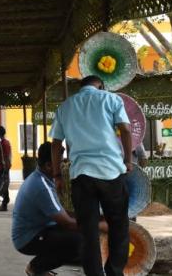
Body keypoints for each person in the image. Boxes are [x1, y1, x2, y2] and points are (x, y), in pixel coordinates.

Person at [50, 75, 132, 276]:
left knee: (88, 232)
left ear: (81, 87)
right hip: (110, 170)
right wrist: (128, 161)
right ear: (101, 85)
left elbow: (55, 144)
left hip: (82, 175)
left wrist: (57, 175)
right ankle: (114, 272)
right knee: (119, 226)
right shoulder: (111, 99)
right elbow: (126, 130)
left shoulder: (65, 107)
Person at [12, 142, 81, 276]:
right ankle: (36, 268)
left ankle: (40, 267)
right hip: (27, 239)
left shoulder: (44, 178)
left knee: (79, 234)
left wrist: (87, 217)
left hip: (40, 229)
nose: (64, 166)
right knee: (79, 241)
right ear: (49, 165)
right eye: (61, 163)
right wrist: (97, 225)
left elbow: (62, 212)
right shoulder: (41, 186)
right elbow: (66, 222)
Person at [0, 125, 12, 211]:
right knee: (1, 184)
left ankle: (4, 203)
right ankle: (5, 201)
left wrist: (7, 166)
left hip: (3, 166)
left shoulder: (5, 143)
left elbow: (7, 156)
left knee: (3, 185)